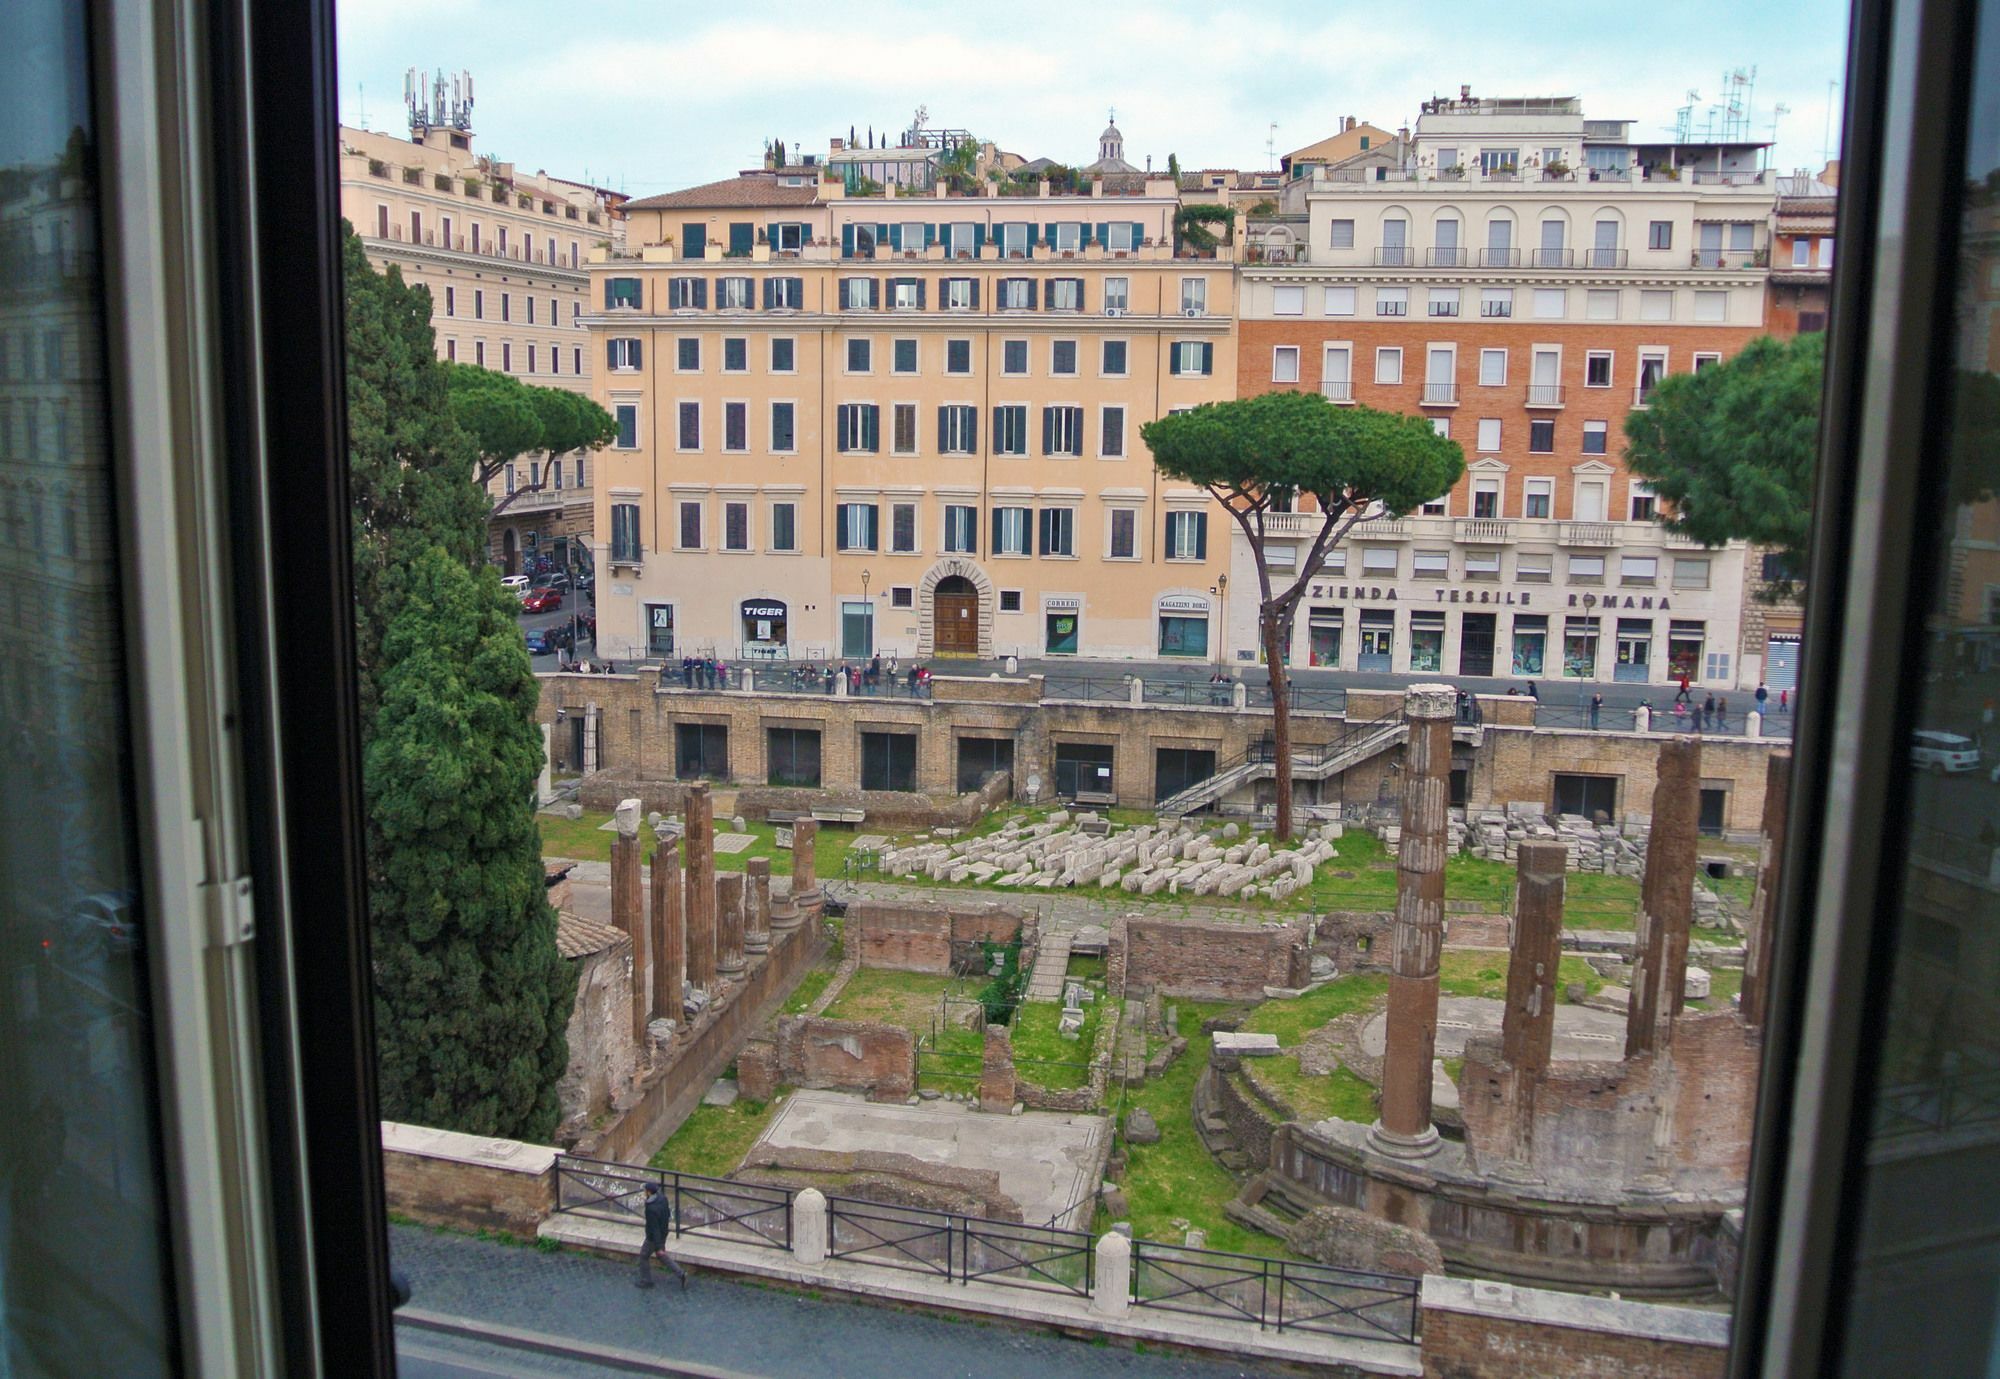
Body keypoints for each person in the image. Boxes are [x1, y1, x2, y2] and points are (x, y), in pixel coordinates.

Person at [635, 1183, 686, 1291]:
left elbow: (654, 1228)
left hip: (653, 1238)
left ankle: (646, 1281)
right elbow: (667, 1215)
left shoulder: (650, 1209)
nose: (644, 1192)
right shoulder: (663, 1199)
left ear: (649, 1192)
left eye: (645, 1190)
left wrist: (658, 1245)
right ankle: (680, 1273)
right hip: (664, 1232)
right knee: (661, 1255)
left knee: (644, 1256)